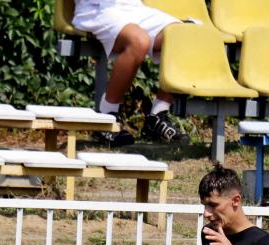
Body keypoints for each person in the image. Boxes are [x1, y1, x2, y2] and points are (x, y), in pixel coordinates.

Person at [72, 0, 188, 145]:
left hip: (134, 7)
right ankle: (106, 117)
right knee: (139, 42)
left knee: (182, 35)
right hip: (98, 9)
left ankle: (157, 116)